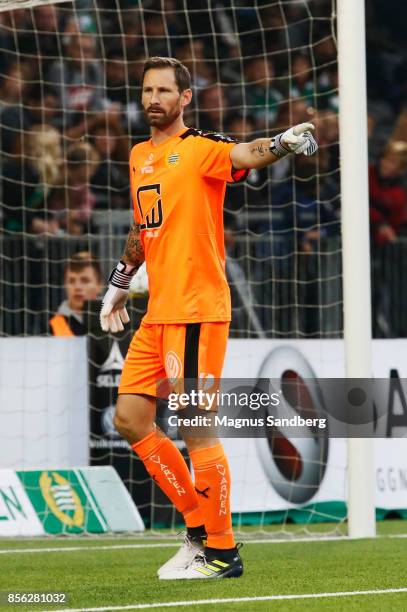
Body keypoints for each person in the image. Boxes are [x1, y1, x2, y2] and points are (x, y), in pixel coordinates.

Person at [99, 56, 317, 580]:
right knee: (130, 419)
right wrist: (120, 282)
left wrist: (283, 142)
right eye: (147, 89)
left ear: (185, 97)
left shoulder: (199, 150)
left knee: (196, 427)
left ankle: (221, 551)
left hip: (196, 310)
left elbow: (246, 152)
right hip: (157, 313)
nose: (153, 98)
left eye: (164, 91)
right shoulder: (138, 156)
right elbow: (143, 225)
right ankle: (199, 529)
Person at [50, 252, 103, 336]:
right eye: (71, 281)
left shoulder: (113, 321)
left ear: (99, 285)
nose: (77, 287)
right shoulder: (51, 326)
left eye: (85, 280)